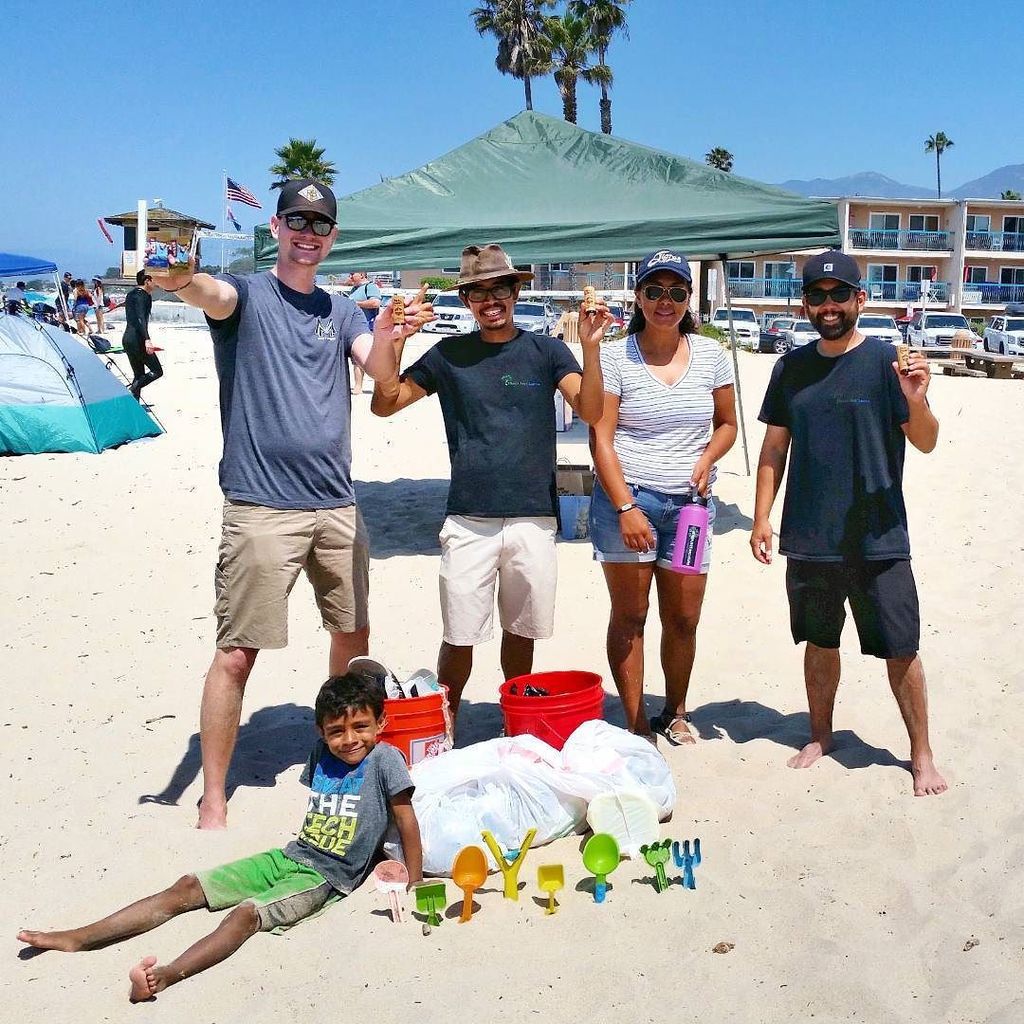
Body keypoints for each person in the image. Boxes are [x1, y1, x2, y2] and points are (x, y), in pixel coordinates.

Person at [146, 178, 432, 829]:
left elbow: (382, 376)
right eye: (297, 220)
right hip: (260, 506)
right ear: (276, 228)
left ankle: (341, 751)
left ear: (331, 238)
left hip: (336, 504)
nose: (308, 231)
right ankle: (212, 794)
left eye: (320, 223)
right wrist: (178, 278)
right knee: (237, 652)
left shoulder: (342, 312)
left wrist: (393, 331)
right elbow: (206, 292)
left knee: (352, 638)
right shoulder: (245, 295)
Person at [17, 672, 423, 1002]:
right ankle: (81, 937)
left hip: (324, 878)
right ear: (321, 731)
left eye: (361, 727)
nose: (349, 739)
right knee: (187, 887)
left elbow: (405, 820)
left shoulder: (385, 759)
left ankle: (165, 976)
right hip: (290, 855)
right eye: (337, 731)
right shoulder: (322, 754)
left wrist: (416, 880)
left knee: (245, 914)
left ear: (381, 723)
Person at [371, 242, 608, 729]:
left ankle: (515, 714)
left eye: (499, 288)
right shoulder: (448, 355)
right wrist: (395, 343)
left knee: (521, 630)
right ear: (466, 301)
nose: (490, 299)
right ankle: (446, 720)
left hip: (533, 516)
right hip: (467, 518)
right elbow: (386, 402)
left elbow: (590, 410)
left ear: (516, 290)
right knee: (458, 634)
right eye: (477, 292)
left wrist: (590, 347)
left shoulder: (547, 351)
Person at [750, 250, 947, 797]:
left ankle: (922, 755)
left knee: (901, 646)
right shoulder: (790, 368)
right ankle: (820, 735)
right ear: (805, 304)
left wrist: (917, 400)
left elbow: (926, 440)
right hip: (810, 535)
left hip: (879, 535)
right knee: (820, 640)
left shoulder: (889, 365)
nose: (829, 305)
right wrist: (762, 517)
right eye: (818, 296)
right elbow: (772, 450)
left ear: (861, 299)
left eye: (840, 294)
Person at [588, 249, 737, 744]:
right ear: (639, 296)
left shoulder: (712, 354)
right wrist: (626, 507)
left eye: (676, 292)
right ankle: (635, 724)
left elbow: (728, 425)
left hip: (690, 510)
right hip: (628, 502)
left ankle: (675, 710)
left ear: (690, 298)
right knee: (630, 617)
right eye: (654, 291)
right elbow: (600, 439)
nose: (665, 301)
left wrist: (707, 457)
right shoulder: (615, 355)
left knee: (684, 618)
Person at [123, 271, 163, 400]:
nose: (156, 283)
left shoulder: (131, 294)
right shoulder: (144, 296)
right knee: (157, 371)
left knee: (139, 375)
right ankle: (131, 390)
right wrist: (147, 339)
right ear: (147, 281)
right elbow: (141, 318)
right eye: (154, 280)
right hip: (137, 339)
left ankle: (134, 405)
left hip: (127, 339)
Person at [346, 271, 381, 394]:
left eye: (352, 274)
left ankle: (380, 387)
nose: (349, 277)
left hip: (368, 328)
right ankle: (358, 386)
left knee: (373, 358)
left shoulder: (370, 287)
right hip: (354, 328)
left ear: (361, 274)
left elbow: (375, 302)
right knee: (356, 358)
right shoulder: (353, 289)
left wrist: (356, 304)